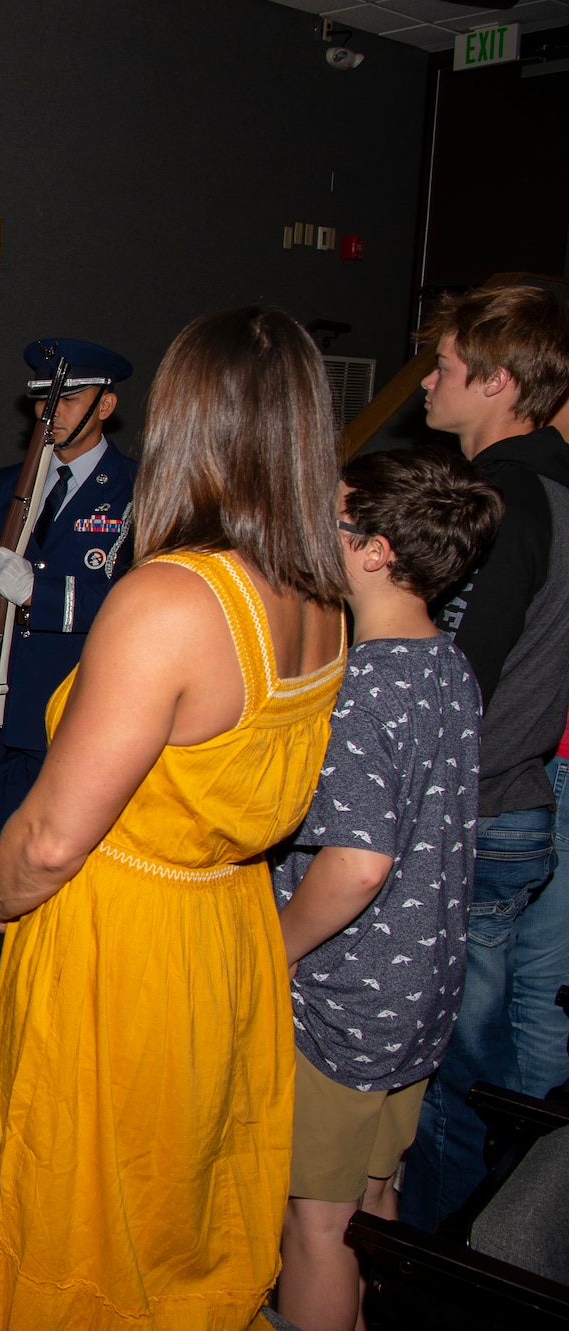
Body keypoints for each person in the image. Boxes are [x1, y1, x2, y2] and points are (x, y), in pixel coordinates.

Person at [0, 306, 348, 1329]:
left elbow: (56, 832)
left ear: (187, 422)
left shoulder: (169, 598)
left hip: (123, 934)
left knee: (80, 1190)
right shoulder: (320, 595)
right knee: (177, 1188)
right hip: (222, 924)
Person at [271, 445, 499, 1331]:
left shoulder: (366, 687)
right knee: (372, 1198)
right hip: (418, 991)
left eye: (328, 517)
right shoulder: (446, 663)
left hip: (346, 999)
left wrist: (273, 946)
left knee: (314, 1226)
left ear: (372, 551)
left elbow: (357, 863)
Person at [400, 284, 569, 1229]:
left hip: (472, 807)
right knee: (498, 1047)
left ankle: (438, 1256)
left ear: (500, 383)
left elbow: (462, 680)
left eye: (448, 369)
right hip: (518, 796)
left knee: (447, 1073)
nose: (429, 382)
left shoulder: (501, 499)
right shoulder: (557, 483)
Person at [0, 339, 137, 868]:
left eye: (67, 399)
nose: (47, 413)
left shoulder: (138, 489)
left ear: (105, 405)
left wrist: (41, 593)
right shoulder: (7, 484)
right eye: (41, 400)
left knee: (56, 870)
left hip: (75, 714)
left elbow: (140, 606)